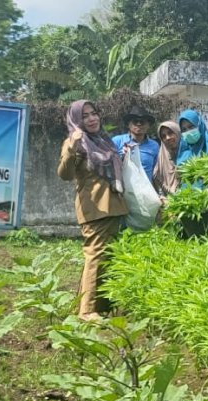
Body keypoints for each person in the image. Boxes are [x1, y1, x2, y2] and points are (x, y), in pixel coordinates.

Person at [57, 100, 128, 322]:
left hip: (113, 206)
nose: (92, 118)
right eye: (85, 115)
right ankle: (87, 311)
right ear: (77, 120)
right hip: (94, 208)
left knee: (107, 256)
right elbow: (65, 174)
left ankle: (96, 306)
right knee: (95, 256)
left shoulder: (104, 141)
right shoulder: (75, 142)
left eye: (94, 113)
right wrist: (71, 147)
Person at [112, 106, 160, 182]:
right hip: (124, 190)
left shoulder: (154, 146)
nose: (139, 124)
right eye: (135, 121)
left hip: (146, 190)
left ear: (148, 125)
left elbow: (156, 171)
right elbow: (110, 166)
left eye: (142, 122)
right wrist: (122, 157)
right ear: (128, 125)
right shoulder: (117, 141)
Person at [152, 121, 181, 198]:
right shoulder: (162, 159)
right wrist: (162, 196)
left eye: (170, 133)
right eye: (163, 136)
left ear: (178, 132)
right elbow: (157, 181)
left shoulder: (190, 153)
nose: (167, 138)